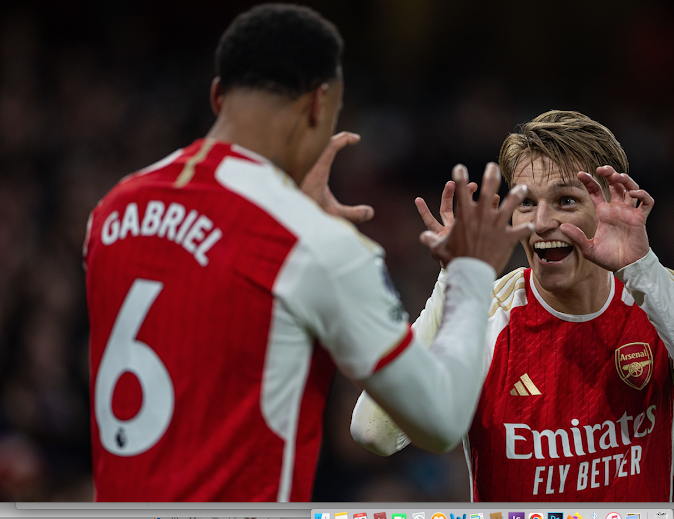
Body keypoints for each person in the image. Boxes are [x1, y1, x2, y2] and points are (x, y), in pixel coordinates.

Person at [83, 3, 534, 502]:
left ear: (217, 96)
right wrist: (470, 271)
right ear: (320, 105)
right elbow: (442, 420)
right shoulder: (312, 246)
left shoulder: (111, 211)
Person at [350, 110, 674, 502]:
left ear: (611, 204)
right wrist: (454, 281)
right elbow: (374, 433)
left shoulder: (666, 297)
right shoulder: (484, 317)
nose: (541, 222)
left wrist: (641, 271)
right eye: (525, 203)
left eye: (565, 201)